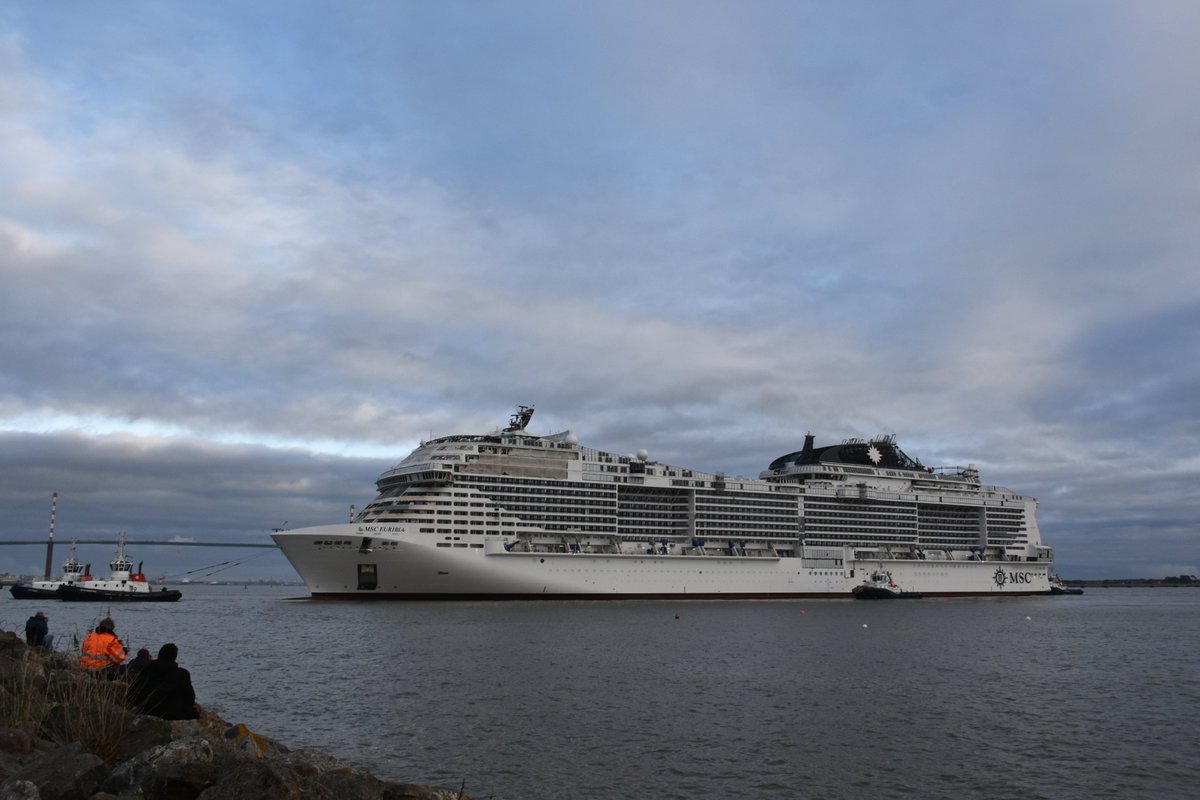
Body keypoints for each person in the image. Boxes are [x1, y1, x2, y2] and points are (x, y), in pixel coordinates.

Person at [138, 643, 199, 720]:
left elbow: (136, 693)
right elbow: (190, 699)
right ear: (174, 657)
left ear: (159, 655)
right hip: (173, 714)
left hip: (147, 711)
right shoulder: (182, 674)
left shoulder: (146, 669)